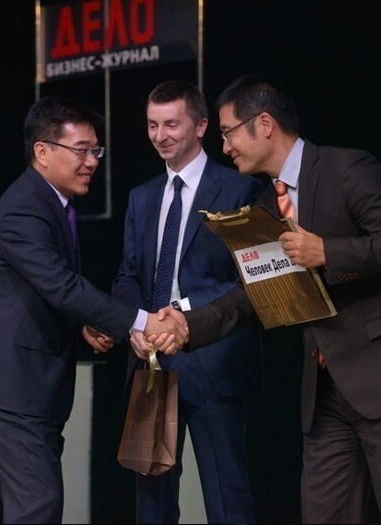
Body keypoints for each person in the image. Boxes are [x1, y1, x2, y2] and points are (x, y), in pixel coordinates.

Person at [155, 75, 381, 523]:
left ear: (265, 124)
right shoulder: (264, 205)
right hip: (325, 390)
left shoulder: (346, 167)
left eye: (229, 132)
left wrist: (328, 251)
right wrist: (185, 324)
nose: (225, 146)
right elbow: (254, 295)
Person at [0, 95, 186, 524]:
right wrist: (141, 320)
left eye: (96, 150)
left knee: (33, 505)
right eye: (81, 150)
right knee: (38, 505)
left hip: (27, 386)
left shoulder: (49, 203)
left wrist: (82, 325)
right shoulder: (23, 210)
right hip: (9, 386)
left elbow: (42, 290)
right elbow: (61, 286)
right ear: (42, 151)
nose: (92, 161)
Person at [111, 79, 265, 524]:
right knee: (152, 504)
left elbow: (247, 282)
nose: (160, 135)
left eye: (171, 124)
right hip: (152, 361)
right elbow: (127, 276)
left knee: (227, 498)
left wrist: (181, 317)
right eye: (152, 125)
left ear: (200, 127)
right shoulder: (141, 197)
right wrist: (136, 324)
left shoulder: (239, 189)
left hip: (214, 359)